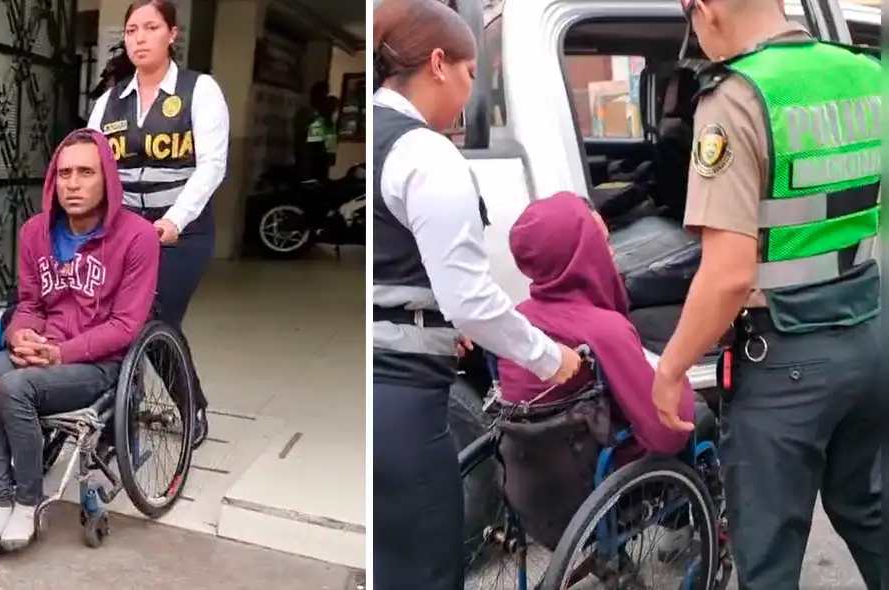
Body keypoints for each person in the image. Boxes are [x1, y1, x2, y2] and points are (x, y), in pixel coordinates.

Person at [651, 1, 882, 589]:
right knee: (869, 512)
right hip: (868, 333)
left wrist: (672, 368)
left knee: (768, 554)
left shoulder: (736, 98)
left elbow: (727, 276)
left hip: (785, 365)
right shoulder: (864, 71)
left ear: (703, 9)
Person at [371, 1, 584, 587]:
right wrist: (552, 358)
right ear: (439, 64)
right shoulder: (423, 152)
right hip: (400, 395)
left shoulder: (375, 133)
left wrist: (442, 313)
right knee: (427, 569)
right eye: (470, 76)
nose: (469, 94)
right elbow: (470, 300)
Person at [0, 129, 161, 564]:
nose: (73, 183)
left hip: (98, 363)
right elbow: (30, 303)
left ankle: (27, 503)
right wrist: (22, 334)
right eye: (65, 173)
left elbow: (127, 325)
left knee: (16, 388)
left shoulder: (138, 237)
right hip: (44, 352)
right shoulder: (37, 232)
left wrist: (60, 354)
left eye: (86, 172)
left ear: (107, 178)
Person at [496, 191, 703, 551]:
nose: (611, 254)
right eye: (602, 244)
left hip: (529, 490)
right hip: (595, 494)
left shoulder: (517, 323)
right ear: (580, 255)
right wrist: (677, 383)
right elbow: (666, 434)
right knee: (699, 416)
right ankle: (682, 525)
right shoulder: (603, 329)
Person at [88, 0, 230, 447]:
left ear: (172, 34)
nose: (140, 38)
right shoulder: (109, 102)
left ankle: (192, 409)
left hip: (182, 233)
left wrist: (173, 220)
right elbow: (92, 163)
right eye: (132, 30)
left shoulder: (199, 90)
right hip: (124, 232)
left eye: (151, 28)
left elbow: (212, 165)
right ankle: (119, 409)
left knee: (156, 315)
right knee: (110, 316)